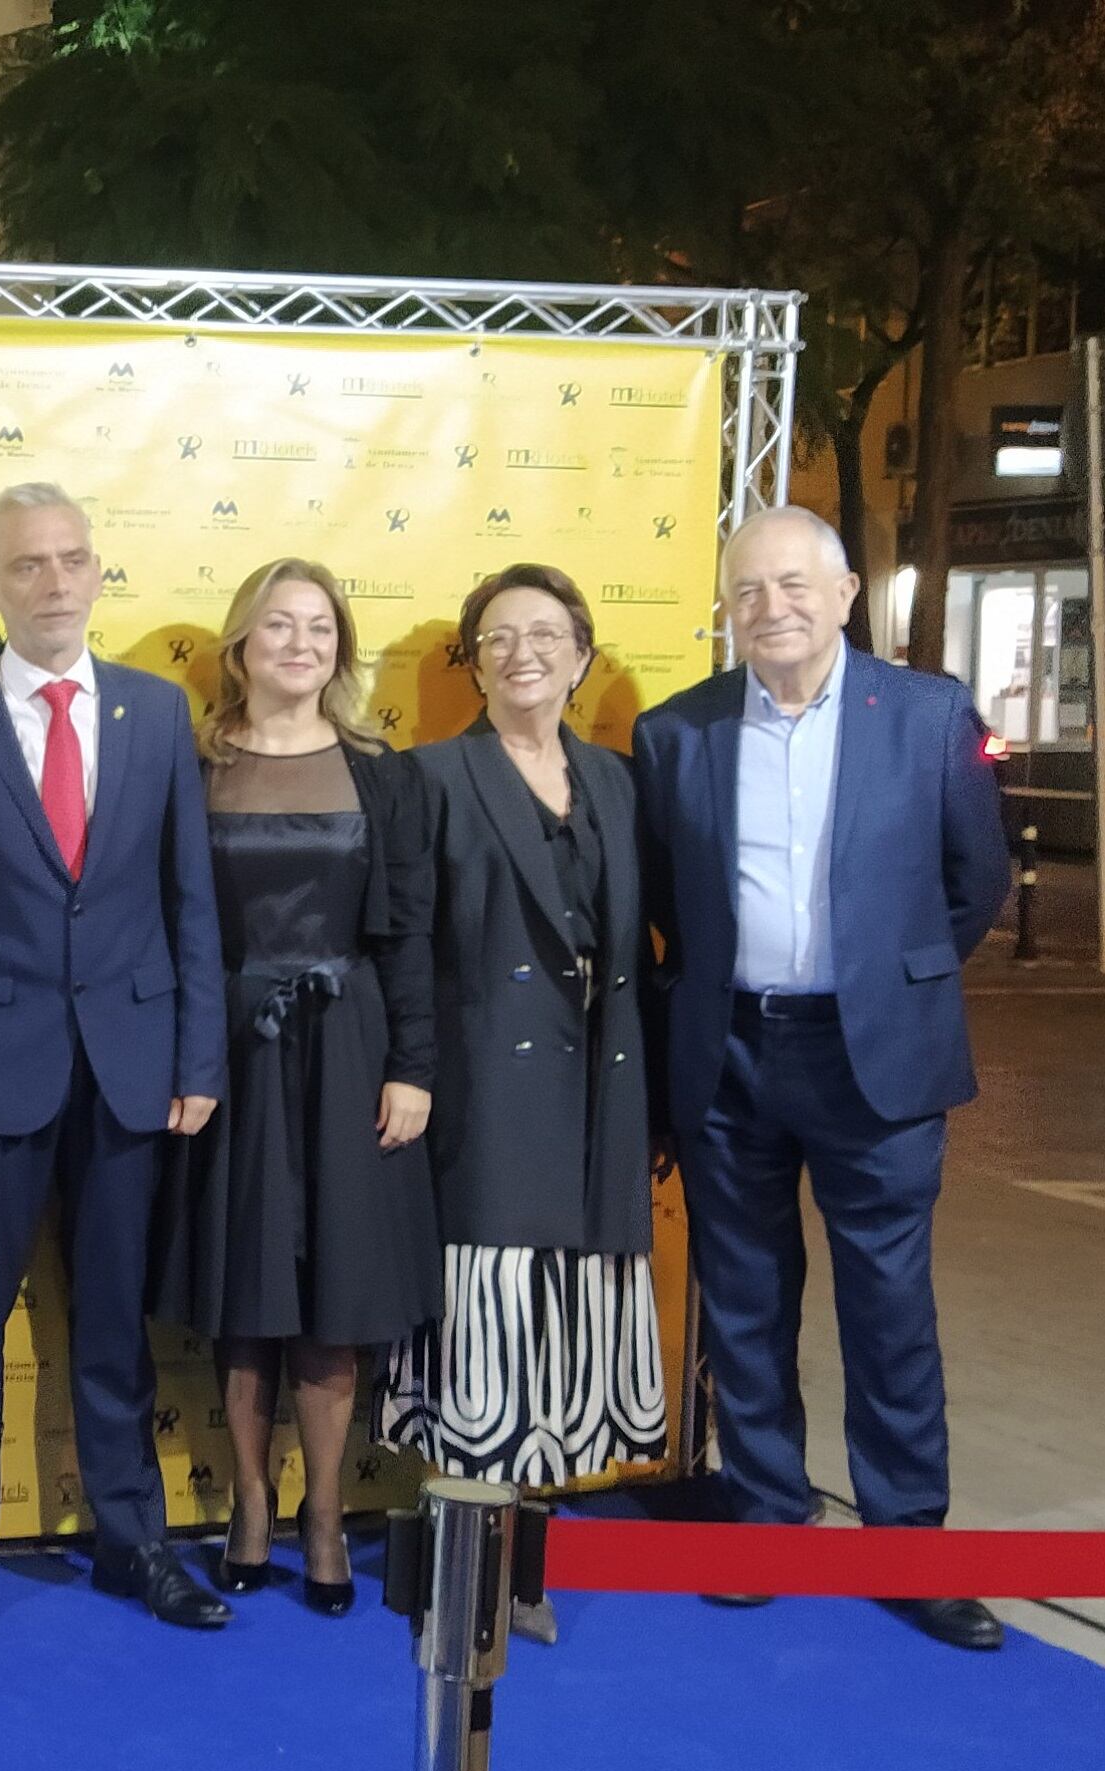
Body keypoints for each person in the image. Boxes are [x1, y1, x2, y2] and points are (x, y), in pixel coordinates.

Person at [633, 507, 1013, 1652]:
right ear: (728, 609)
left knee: (889, 1308)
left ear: (847, 594)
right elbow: (666, 902)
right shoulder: (675, 732)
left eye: (795, 585)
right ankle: (766, 1523)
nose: (772, 608)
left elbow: (972, 885)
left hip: (875, 1060)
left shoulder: (930, 715)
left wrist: (882, 983)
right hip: (732, 1050)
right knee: (744, 1303)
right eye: (748, 591)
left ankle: (909, 1547)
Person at [0, 481, 230, 1648]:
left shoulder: (154, 709)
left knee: (115, 1324)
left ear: (98, 573)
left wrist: (196, 1053)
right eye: (26, 565)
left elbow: (191, 898)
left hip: (134, 1067)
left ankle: (136, 1542)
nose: (53, 582)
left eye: (72, 560)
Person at [149, 560, 441, 1617]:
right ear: (241, 643)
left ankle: (323, 1515)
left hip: (351, 1048)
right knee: (248, 1286)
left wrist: (413, 1066)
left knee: (334, 1291)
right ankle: (249, 1508)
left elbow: (408, 933)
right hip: (231, 1051)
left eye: (320, 627)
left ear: (340, 649)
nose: (301, 643)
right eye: (281, 624)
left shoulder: (385, 774)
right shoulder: (190, 765)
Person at [381, 563, 666, 1642]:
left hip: (599, 1089)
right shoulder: (430, 777)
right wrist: (411, 1069)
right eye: (498, 637)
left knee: (563, 1330)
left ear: (583, 655)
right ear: (471, 661)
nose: (523, 654)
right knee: (488, 1329)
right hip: (484, 1090)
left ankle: (526, 1567)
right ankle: (460, 1585)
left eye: (545, 634)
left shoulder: (617, 781)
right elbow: (403, 943)